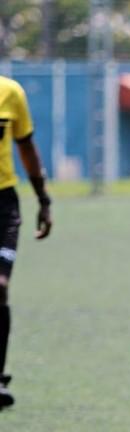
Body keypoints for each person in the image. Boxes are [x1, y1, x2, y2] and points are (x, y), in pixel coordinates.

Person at [0, 75, 53, 409]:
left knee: (0, 286)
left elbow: (27, 147)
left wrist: (43, 198)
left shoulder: (11, 91)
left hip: (3, 204)